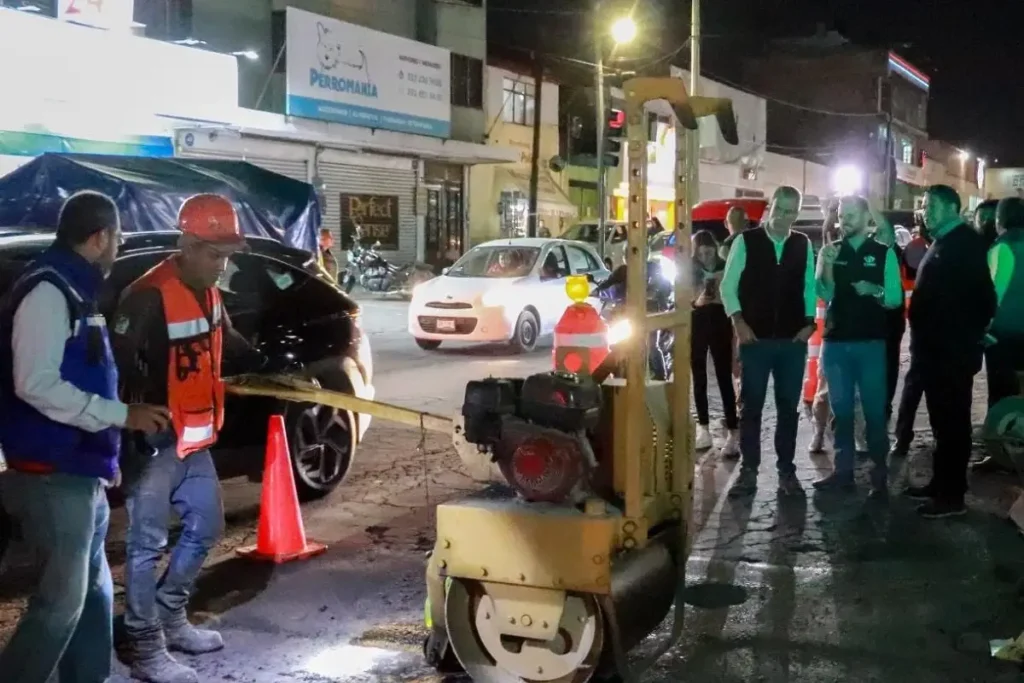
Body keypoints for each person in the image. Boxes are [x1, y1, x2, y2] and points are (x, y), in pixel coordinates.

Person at [0, 192, 170, 683]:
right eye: (117, 237)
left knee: (93, 597)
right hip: (51, 474)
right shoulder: (48, 291)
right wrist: (120, 414)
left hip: (82, 470)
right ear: (100, 238)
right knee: (59, 606)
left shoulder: (75, 289)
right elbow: (35, 383)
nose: (118, 247)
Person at [112, 194, 266, 683]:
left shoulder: (210, 295)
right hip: (152, 444)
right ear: (186, 243)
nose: (221, 265)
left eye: (226, 256)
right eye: (213, 254)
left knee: (206, 527)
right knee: (145, 545)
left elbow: (230, 343)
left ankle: (169, 615)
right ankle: (143, 644)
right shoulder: (147, 295)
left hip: (193, 440)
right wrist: (125, 417)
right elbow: (112, 364)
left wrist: (274, 369)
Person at [904, 184, 996, 518]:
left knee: (954, 424)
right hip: (934, 352)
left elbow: (985, 299)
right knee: (943, 425)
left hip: (951, 354)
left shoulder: (965, 244)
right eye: (924, 206)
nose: (924, 212)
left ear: (951, 208)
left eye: (930, 206)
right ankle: (941, 483)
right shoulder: (942, 242)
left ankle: (952, 497)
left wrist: (965, 336)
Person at [721, 186, 817, 498]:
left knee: (788, 408)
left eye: (791, 211)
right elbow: (728, 286)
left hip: (792, 342)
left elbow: (808, 288)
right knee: (751, 407)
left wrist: (808, 325)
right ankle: (749, 471)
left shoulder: (802, 244)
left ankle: (786, 471)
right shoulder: (746, 241)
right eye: (780, 209)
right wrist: (738, 322)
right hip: (755, 340)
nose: (784, 217)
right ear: (769, 207)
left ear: (797, 213)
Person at [812, 197, 904, 497]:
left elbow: (893, 298)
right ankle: (843, 473)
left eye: (851, 215)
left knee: (875, 413)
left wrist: (873, 289)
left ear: (867, 218)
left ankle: (879, 475)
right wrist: (824, 267)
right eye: (841, 215)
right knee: (842, 411)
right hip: (836, 343)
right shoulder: (830, 250)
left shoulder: (883, 253)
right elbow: (823, 293)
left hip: (871, 343)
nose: (845, 220)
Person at [972, 197, 1024, 473]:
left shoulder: (1001, 247)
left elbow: (992, 296)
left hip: (1004, 337)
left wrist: (983, 329)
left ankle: (1001, 454)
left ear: (999, 220)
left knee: (1001, 395)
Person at [690, 230, 739, 457]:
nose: (705, 255)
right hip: (697, 321)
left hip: (720, 320)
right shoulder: (689, 269)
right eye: (701, 251)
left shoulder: (725, 266)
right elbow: (683, 299)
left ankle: (732, 430)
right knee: (698, 375)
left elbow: (735, 294)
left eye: (708, 249)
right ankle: (703, 427)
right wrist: (697, 300)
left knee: (723, 375)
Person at [890, 219, 932, 457]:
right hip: (921, 322)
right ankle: (903, 437)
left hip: (929, 322)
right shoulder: (919, 248)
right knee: (915, 382)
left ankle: (904, 437)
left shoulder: (933, 247)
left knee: (919, 383)